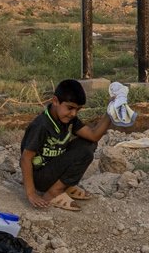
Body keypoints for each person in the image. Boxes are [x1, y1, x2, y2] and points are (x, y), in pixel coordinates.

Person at [22, 78, 130, 212]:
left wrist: (110, 112)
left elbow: (93, 135)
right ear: (55, 101)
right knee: (84, 153)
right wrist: (31, 193)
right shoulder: (41, 125)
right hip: (41, 176)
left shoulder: (68, 119)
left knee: (89, 144)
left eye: (77, 109)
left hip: (55, 167)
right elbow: (26, 158)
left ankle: (64, 185)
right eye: (70, 108)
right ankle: (54, 192)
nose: (73, 113)